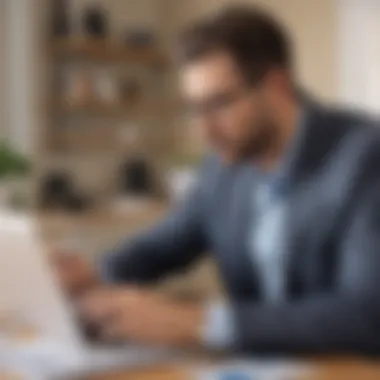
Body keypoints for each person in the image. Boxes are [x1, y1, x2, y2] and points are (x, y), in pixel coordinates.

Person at [55, 5, 380, 355]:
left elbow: (366, 315)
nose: (204, 131)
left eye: (219, 104)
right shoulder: (223, 168)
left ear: (276, 87)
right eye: (195, 108)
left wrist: (196, 322)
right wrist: (95, 274)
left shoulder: (363, 158)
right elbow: (165, 243)